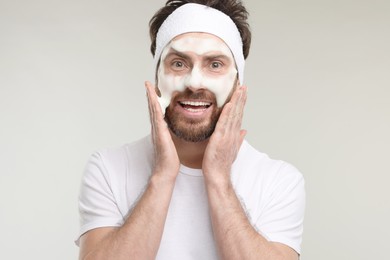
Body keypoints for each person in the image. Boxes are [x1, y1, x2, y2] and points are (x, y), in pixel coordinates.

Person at [76, 0, 305, 259]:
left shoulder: (279, 181)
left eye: (215, 64)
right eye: (178, 63)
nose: (194, 83)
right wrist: (163, 174)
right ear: (157, 78)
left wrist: (218, 179)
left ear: (238, 83)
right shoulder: (108, 168)